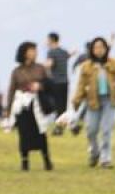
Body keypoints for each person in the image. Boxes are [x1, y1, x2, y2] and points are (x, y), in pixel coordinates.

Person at [72, 37, 115, 168]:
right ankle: (94, 153)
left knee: (106, 130)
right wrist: (76, 100)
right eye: (96, 48)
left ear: (106, 49)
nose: (99, 50)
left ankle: (105, 159)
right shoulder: (86, 66)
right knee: (91, 130)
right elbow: (81, 85)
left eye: (101, 47)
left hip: (109, 101)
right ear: (92, 50)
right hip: (92, 101)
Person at [5, 41, 54, 171]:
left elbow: (49, 84)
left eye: (35, 50)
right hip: (22, 107)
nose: (35, 53)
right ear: (24, 53)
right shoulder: (16, 71)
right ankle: (25, 162)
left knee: (41, 133)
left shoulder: (40, 68)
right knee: (24, 135)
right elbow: (11, 90)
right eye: (32, 50)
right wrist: (7, 110)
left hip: (37, 105)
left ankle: (47, 160)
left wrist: (40, 86)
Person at [43, 32, 74, 134]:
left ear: (51, 40)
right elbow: (68, 55)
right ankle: (63, 127)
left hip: (55, 82)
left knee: (56, 106)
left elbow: (50, 64)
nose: (46, 42)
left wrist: (41, 66)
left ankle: (59, 128)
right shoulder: (63, 51)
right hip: (65, 82)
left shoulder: (51, 52)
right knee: (62, 107)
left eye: (47, 40)